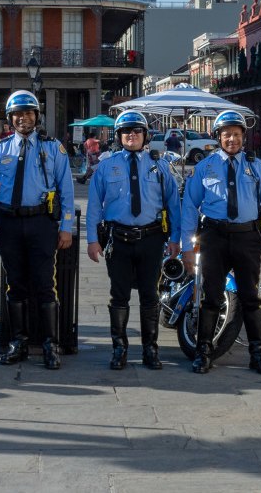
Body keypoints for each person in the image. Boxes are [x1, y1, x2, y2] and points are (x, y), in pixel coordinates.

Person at [0, 90, 75, 369]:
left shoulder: (53, 148)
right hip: (8, 222)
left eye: (28, 113)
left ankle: (50, 344)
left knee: (46, 285)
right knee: (15, 285)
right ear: (10, 119)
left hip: (41, 223)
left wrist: (66, 227)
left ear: (37, 116)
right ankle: (17, 341)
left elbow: (66, 190)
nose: (23, 118)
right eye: (18, 114)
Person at [181, 109, 261, 374]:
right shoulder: (205, 167)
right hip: (213, 236)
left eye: (236, 135)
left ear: (243, 137)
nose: (232, 140)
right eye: (226, 135)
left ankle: (258, 353)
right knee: (211, 296)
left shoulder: (257, 167)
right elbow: (190, 207)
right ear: (218, 137)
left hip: (247, 237)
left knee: (250, 296)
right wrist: (187, 248)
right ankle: (204, 351)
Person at [85, 110, 181, 370]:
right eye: (126, 131)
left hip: (151, 238)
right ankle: (120, 348)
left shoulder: (159, 165)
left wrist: (175, 238)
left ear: (145, 135)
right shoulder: (106, 166)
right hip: (118, 239)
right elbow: (94, 205)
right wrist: (92, 240)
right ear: (118, 136)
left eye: (137, 131)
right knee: (119, 296)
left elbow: (173, 203)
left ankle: (150, 349)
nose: (131, 135)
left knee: (150, 296)